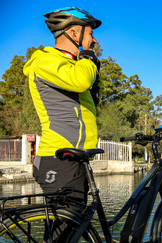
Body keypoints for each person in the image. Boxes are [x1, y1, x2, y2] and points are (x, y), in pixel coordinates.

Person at [23, 7, 103, 203]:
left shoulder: (71, 65)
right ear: (74, 32)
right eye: (91, 33)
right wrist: (87, 57)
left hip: (76, 158)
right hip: (58, 158)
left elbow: (89, 98)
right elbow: (81, 81)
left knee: (76, 224)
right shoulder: (45, 61)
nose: (95, 40)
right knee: (64, 229)